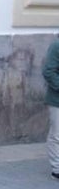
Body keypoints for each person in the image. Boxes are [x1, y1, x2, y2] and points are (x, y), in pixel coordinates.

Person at [43, 35, 59, 180]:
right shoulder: (56, 46)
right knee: (56, 135)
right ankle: (57, 168)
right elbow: (48, 71)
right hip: (57, 100)